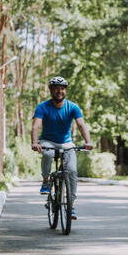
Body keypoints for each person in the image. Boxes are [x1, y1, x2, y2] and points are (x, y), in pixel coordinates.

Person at [31, 76, 93, 219]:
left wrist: (88, 141)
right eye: (56, 89)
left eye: (62, 89)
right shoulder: (42, 107)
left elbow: (81, 124)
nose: (60, 91)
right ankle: (46, 181)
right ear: (51, 90)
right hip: (47, 141)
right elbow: (36, 125)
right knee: (47, 154)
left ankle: (71, 206)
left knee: (71, 170)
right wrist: (35, 142)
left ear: (65, 91)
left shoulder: (72, 107)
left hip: (66, 143)